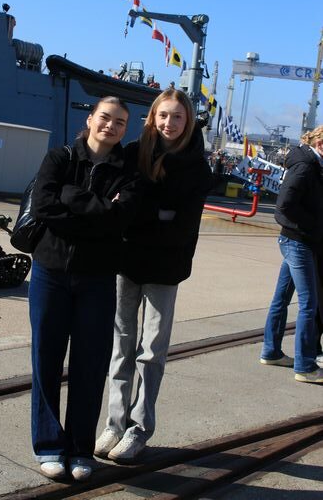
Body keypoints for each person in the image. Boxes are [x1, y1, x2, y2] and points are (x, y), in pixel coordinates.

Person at [95, 88, 212, 463]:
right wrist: (156, 214)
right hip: (126, 260)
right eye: (163, 115)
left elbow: (183, 225)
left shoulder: (196, 166)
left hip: (166, 266)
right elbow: (121, 205)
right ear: (152, 117)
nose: (169, 123)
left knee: (151, 352)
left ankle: (139, 428)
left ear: (188, 120)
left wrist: (140, 217)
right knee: (121, 346)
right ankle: (114, 423)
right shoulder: (134, 153)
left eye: (177, 116)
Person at [28, 96, 142, 481]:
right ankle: (48, 445)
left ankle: (79, 449)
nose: (111, 126)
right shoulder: (59, 158)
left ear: (125, 129)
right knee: (46, 358)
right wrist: (99, 212)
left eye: (120, 122)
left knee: (89, 365)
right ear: (90, 118)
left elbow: (120, 219)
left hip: (97, 278)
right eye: (105, 117)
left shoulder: (128, 172)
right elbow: (43, 206)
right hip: (50, 272)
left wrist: (71, 197)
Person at [260, 125, 323, 384]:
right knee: (309, 303)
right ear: (321, 144)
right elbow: (284, 205)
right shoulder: (306, 166)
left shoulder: (312, 165)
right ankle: (305, 366)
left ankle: (271, 351)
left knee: (282, 297)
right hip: (298, 241)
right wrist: (313, 225)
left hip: (297, 240)